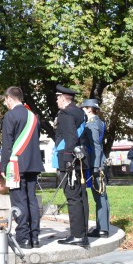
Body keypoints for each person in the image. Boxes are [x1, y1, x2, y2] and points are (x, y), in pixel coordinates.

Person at [0, 86, 44, 249]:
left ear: (9, 98)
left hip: (16, 164)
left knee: (19, 200)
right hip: (33, 163)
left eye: (5, 101)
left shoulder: (10, 116)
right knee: (31, 200)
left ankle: (23, 237)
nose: (6, 104)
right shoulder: (33, 116)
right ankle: (35, 237)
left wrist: (3, 166)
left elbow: (7, 144)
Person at [54, 85, 90, 248]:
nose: (56, 101)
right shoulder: (79, 111)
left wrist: (68, 160)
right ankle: (81, 233)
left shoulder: (66, 113)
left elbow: (70, 137)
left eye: (57, 98)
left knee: (72, 197)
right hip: (79, 159)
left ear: (63, 98)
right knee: (80, 196)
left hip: (69, 159)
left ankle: (77, 235)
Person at [81, 99, 110, 237]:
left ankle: (102, 229)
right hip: (97, 162)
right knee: (101, 195)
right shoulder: (99, 122)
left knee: (99, 195)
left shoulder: (91, 124)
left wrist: (96, 166)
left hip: (95, 163)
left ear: (88, 109)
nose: (82, 110)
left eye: (83, 108)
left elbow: (96, 146)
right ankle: (103, 227)